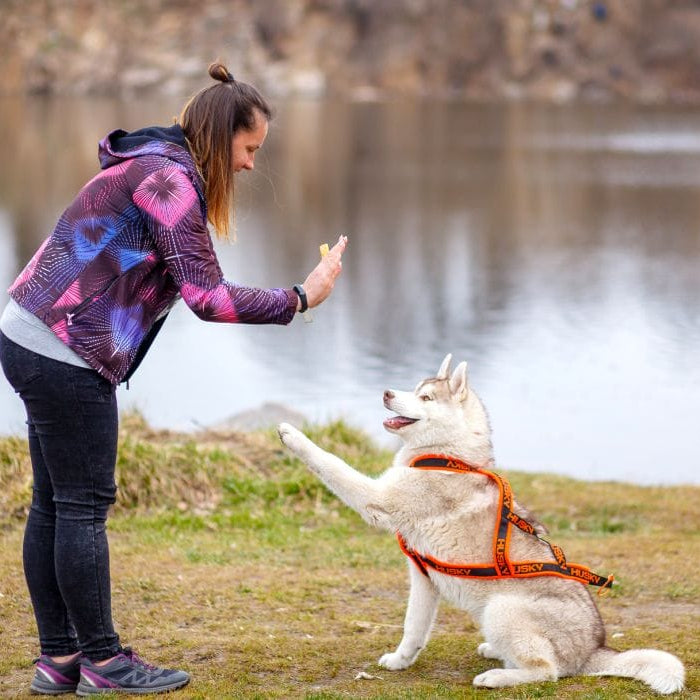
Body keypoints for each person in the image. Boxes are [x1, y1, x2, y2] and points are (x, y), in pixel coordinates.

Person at [0, 61, 347, 696]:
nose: (250, 165)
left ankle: (59, 660)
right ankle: (103, 662)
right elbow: (208, 298)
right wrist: (300, 297)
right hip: (65, 349)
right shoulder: (170, 182)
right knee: (82, 506)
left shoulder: (151, 161)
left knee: (54, 502)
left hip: (25, 331)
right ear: (220, 136)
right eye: (248, 149)